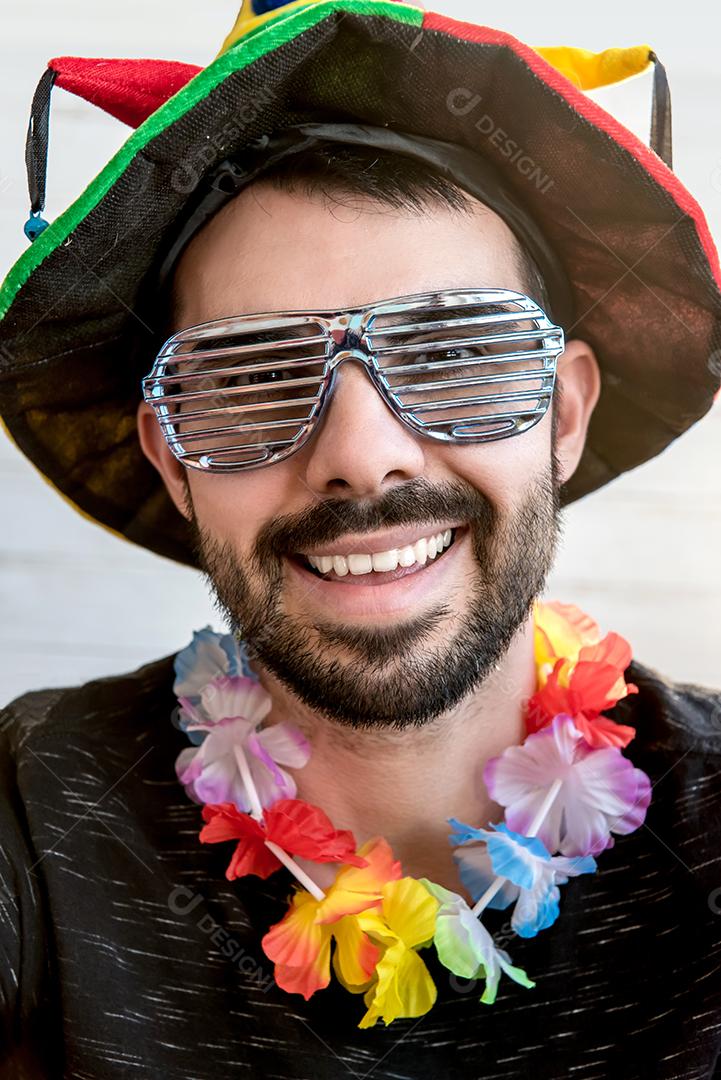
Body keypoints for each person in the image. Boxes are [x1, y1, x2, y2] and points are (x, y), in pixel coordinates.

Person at [1, 2, 720, 1077]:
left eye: (455, 352)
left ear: (563, 415)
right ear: (172, 461)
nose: (362, 456)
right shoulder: (34, 809)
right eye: (254, 373)